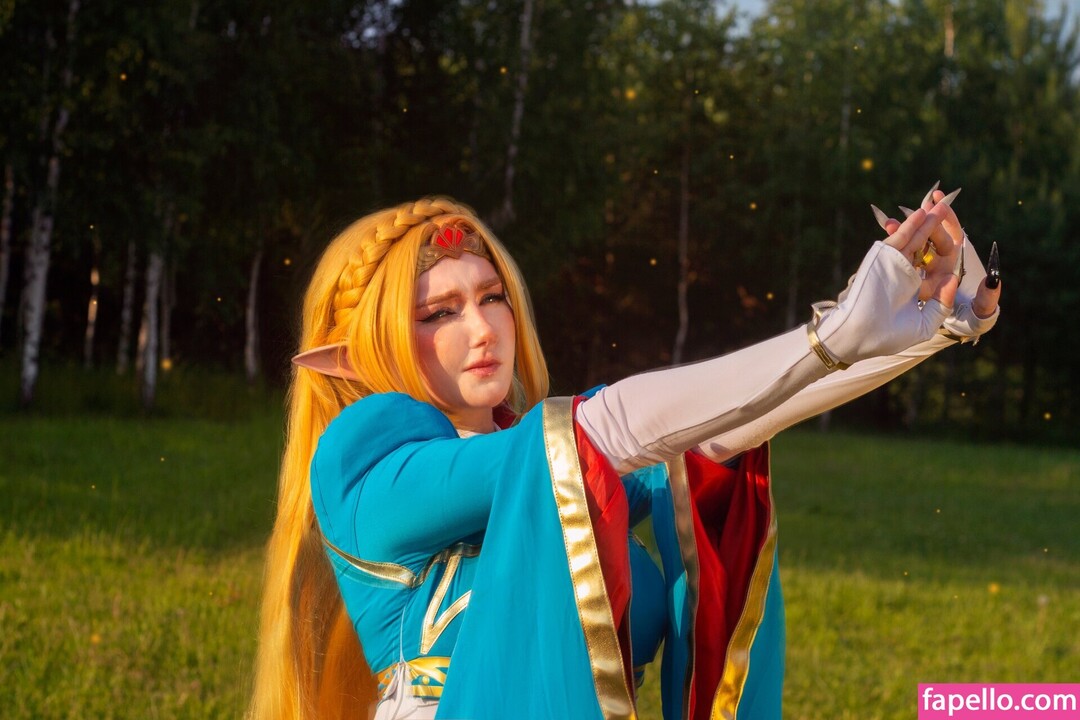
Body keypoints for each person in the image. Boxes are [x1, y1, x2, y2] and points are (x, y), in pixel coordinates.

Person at [248, 193, 1000, 720]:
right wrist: (829, 338)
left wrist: (927, 330)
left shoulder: (548, 464)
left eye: (492, 296)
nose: (482, 329)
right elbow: (600, 433)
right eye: (437, 313)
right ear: (355, 355)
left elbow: (709, 437)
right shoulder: (365, 466)